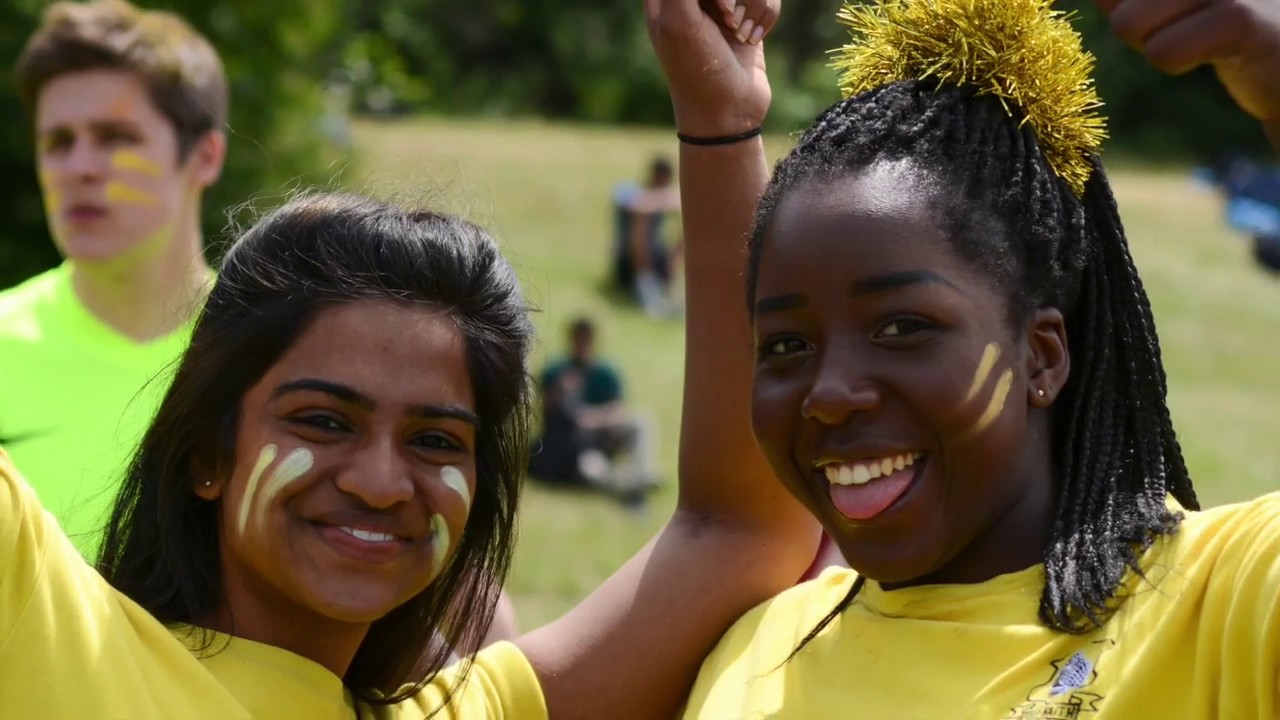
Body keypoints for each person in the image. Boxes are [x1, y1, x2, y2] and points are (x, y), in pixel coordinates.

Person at [643, 0, 1280, 717]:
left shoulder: (1221, 598)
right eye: (786, 345)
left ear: (1041, 357)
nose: (829, 393)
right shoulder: (752, 654)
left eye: (900, 328)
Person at [1, 187, 816, 715]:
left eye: (435, 441)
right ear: (207, 456)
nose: (384, 484)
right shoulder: (47, 623)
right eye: (323, 421)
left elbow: (743, 527)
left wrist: (719, 117)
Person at [0, 0, 225, 557]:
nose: (79, 167)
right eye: (58, 142)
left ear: (205, 156)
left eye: (115, 137)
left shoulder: (271, 348)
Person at [529, 317, 658, 501]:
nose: (582, 344)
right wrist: (559, 391)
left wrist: (593, 419)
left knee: (642, 421)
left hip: (605, 436)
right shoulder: (556, 371)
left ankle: (642, 474)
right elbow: (543, 414)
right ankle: (631, 484)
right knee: (590, 471)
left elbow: (618, 410)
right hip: (576, 447)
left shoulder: (606, 373)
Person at [611, 156, 683, 317]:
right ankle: (646, 287)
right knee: (642, 221)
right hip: (629, 262)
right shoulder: (630, 190)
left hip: (656, 257)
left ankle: (671, 283)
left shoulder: (659, 196)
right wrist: (661, 199)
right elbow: (640, 207)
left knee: (685, 222)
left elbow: (682, 205)